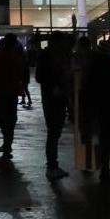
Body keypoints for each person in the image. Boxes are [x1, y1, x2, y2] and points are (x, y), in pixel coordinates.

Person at [34, 31, 74, 178]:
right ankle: (52, 166)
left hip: (58, 98)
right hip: (52, 99)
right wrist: (54, 86)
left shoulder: (60, 56)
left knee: (55, 132)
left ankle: (53, 165)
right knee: (53, 132)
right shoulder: (48, 57)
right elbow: (41, 77)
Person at [85, 39, 110, 180]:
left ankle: (104, 168)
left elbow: (89, 86)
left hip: (101, 106)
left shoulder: (94, 66)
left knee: (103, 137)